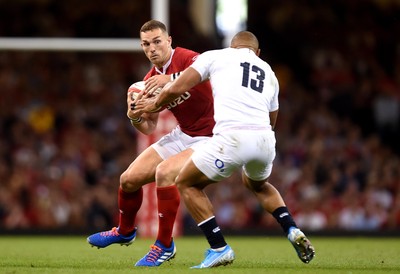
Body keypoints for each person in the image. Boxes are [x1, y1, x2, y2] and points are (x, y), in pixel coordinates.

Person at [137, 31, 315, 268]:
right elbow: (273, 119)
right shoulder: (269, 72)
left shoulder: (217, 57)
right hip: (264, 139)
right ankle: (291, 228)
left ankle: (218, 246)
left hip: (232, 137)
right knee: (257, 184)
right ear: (257, 52)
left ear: (232, 46)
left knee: (186, 183)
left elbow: (175, 88)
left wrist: (152, 104)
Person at [87, 19, 215, 267]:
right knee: (128, 179)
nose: (152, 48)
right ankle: (125, 231)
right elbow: (149, 126)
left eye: (157, 42)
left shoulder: (187, 58)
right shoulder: (149, 80)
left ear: (169, 41)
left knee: (163, 173)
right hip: (185, 134)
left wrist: (169, 80)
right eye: (146, 44)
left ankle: (165, 244)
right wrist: (135, 116)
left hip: (212, 136)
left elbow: (206, 72)